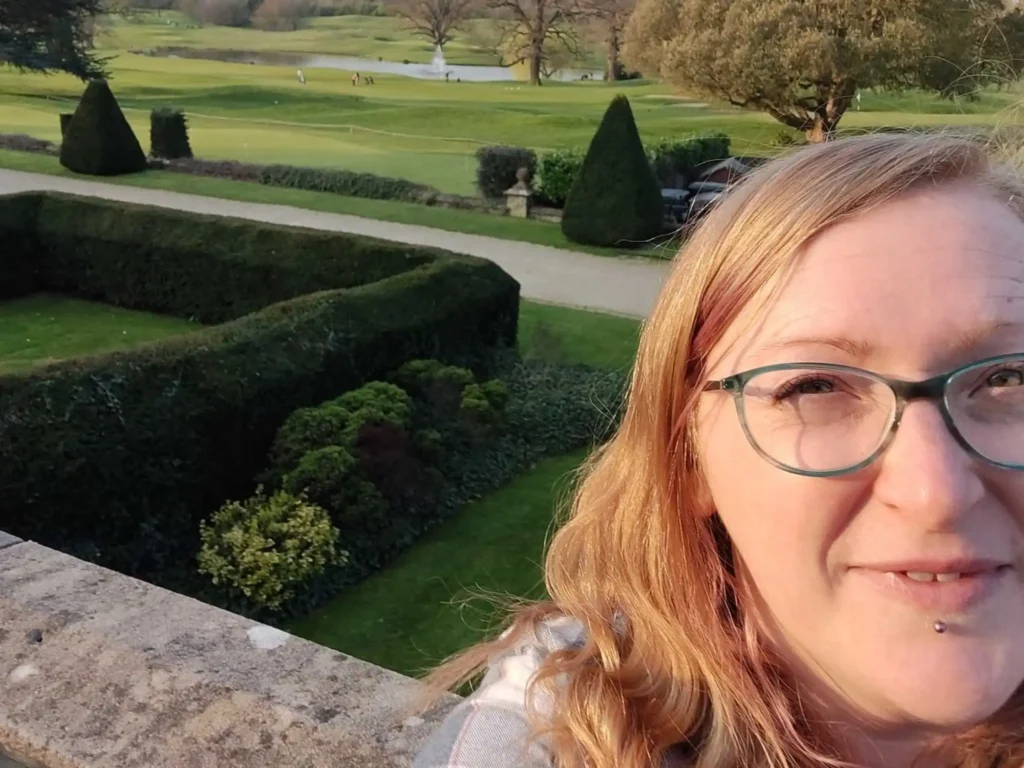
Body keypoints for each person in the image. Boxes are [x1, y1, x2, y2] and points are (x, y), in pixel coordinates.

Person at [413, 133, 1024, 768]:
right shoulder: (542, 738)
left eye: (1008, 376)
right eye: (813, 386)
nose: (938, 492)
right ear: (688, 458)